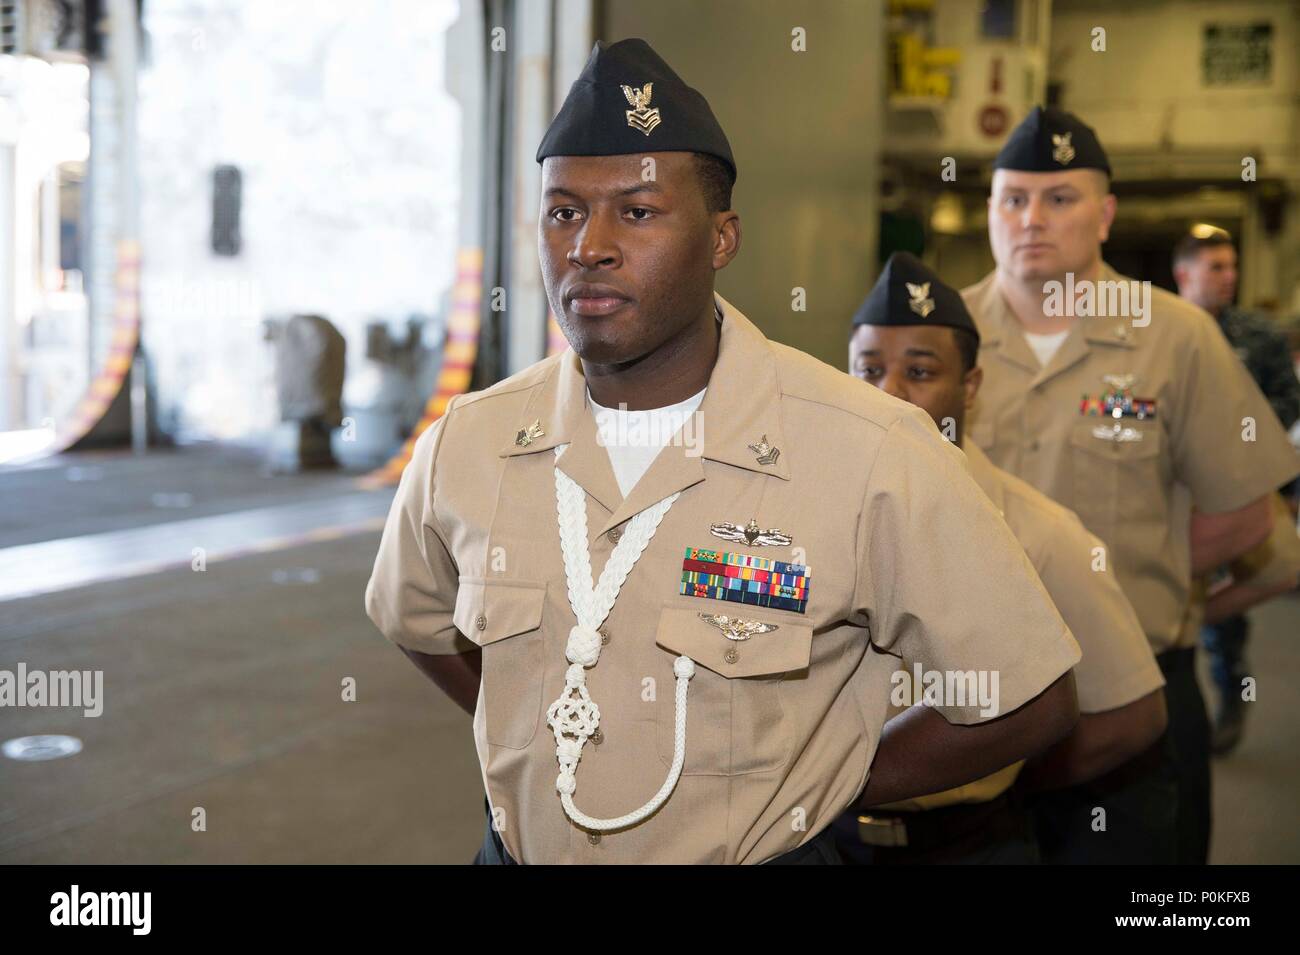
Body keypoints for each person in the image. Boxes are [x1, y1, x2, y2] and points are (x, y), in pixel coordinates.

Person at [365, 39, 1082, 864]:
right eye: (563, 211)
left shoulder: (870, 451)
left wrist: (822, 781)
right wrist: (532, 731)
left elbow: (1026, 696)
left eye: (637, 212)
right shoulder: (473, 440)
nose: (588, 245)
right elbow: (415, 618)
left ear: (721, 239)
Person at [961, 105, 1300, 864]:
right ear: (990, 210)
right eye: (1012, 198)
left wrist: (1151, 585)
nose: (1031, 219)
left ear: (1106, 213)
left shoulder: (1176, 335)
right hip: (968, 700)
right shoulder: (937, 339)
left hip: (1133, 696)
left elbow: (1249, 518)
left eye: (1060, 198)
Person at [839, 252, 1167, 864]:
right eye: (869, 370)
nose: (890, 392)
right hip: (821, 842)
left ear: (970, 387)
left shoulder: (1040, 534)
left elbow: (1131, 717)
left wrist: (1000, 778)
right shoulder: (811, 519)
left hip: (966, 845)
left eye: (919, 370)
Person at [1172, 227, 1300, 754]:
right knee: (1159, 595)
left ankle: (1230, 698)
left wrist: (1241, 435)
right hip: (1170, 491)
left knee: (1226, 608)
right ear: (1184, 274)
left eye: (1232, 267)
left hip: (1233, 491)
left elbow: (1289, 404)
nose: (1229, 277)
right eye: (1215, 268)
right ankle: (1167, 706)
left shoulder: (1259, 335)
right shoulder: (1151, 329)